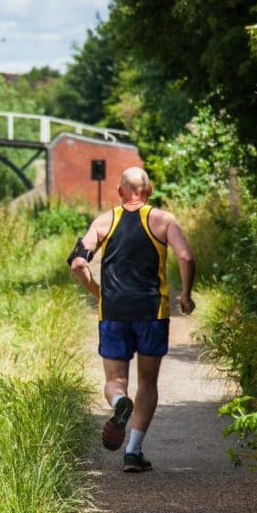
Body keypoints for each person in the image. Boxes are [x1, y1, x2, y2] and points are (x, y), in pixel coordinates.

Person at [68, 166, 195, 473]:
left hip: (114, 313)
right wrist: (186, 295)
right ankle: (133, 451)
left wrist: (99, 292)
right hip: (152, 312)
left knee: (115, 382)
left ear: (119, 191)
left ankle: (118, 404)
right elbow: (186, 257)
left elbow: (77, 264)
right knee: (148, 381)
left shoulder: (103, 222)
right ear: (148, 190)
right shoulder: (163, 220)